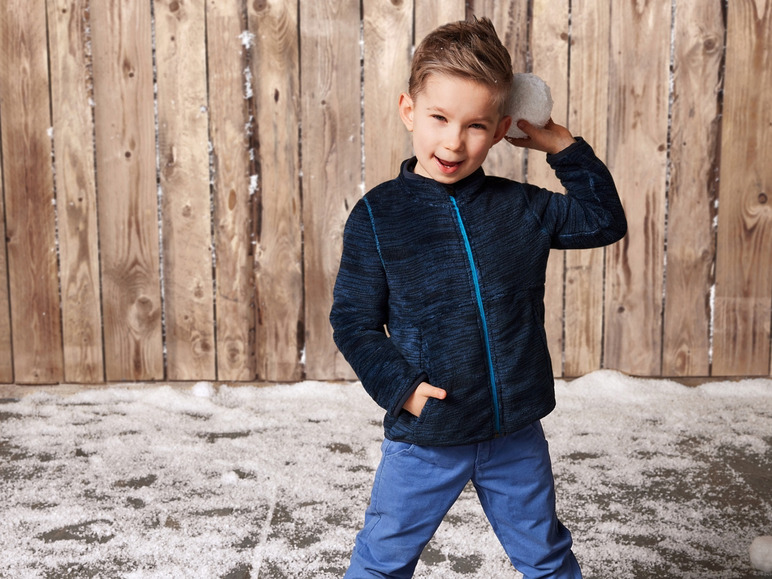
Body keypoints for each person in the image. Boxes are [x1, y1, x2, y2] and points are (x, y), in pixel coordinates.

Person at [329, 16, 626, 579]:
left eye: (475, 126)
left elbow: (603, 219)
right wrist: (403, 390)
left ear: (499, 130)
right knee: (381, 561)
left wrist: (557, 142)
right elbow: (353, 322)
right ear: (408, 110)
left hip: (514, 432)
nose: (453, 141)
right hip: (429, 433)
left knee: (545, 556)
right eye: (439, 118)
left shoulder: (520, 208)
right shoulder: (378, 215)